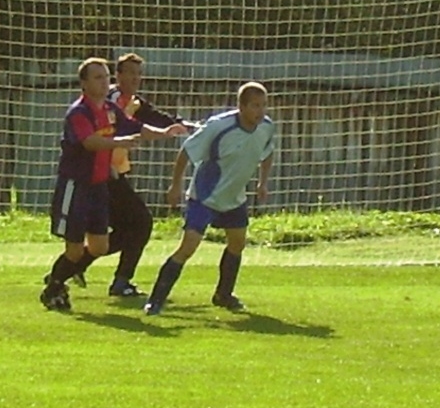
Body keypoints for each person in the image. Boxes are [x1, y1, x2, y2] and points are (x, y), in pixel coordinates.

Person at [40, 57, 186, 311]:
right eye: (98, 77)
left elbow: (135, 127)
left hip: (98, 186)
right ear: (83, 83)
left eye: (106, 76)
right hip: (76, 186)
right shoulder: (79, 112)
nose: (104, 81)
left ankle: (56, 283)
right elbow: (90, 142)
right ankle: (54, 286)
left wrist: (164, 132)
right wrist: (120, 142)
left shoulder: (109, 109)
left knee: (99, 246)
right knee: (74, 250)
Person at [69, 52, 198, 297]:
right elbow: (98, 134)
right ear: (117, 76)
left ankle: (75, 268)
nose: (136, 78)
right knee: (140, 223)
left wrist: (182, 126)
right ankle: (112, 279)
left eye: (139, 73)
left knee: (130, 229)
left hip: (115, 173)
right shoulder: (110, 100)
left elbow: (156, 118)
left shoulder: (134, 102)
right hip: (102, 174)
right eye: (130, 72)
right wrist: (107, 163)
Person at [143, 81, 275, 316]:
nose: (261, 111)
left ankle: (223, 295)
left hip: (234, 197)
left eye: (264, 105)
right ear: (241, 106)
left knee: (237, 243)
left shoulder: (266, 127)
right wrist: (175, 185)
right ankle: (156, 300)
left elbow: (268, 152)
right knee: (188, 247)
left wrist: (262, 182)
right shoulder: (219, 126)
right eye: (255, 105)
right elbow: (186, 150)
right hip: (204, 196)